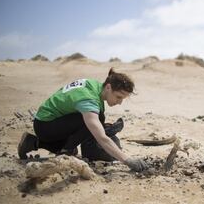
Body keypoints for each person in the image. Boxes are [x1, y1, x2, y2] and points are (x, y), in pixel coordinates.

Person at [17, 68, 148, 172]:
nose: (119, 103)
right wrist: (127, 160)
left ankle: (33, 142)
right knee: (95, 120)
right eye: (118, 97)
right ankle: (65, 153)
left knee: (89, 129)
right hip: (45, 125)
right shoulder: (88, 100)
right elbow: (101, 138)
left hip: (49, 121)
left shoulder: (95, 86)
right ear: (108, 87)